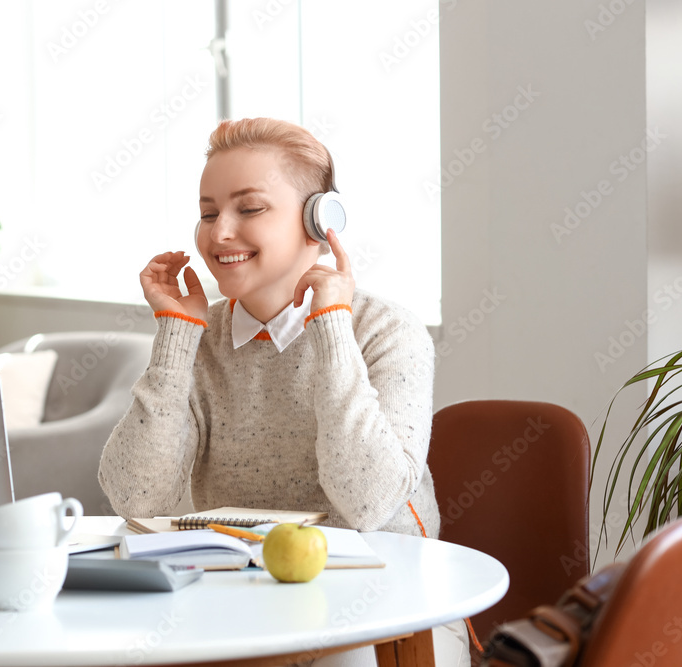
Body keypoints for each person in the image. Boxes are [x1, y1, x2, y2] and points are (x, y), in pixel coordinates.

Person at [98, 118, 469, 666]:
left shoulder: (388, 331)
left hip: (389, 607)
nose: (219, 232)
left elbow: (369, 502)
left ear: (320, 221)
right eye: (207, 212)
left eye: (249, 209)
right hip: (242, 607)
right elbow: (135, 498)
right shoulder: (200, 339)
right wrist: (177, 334)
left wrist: (332, 326)